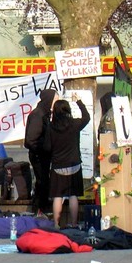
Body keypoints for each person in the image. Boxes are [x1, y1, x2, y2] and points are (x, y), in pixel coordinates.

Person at [49, 96, 90, 227]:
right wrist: (79, 102)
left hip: (57, 165)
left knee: (57, 196)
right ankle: (74, 223)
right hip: (74, 164)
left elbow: (46, 146)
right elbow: (86, 118)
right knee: (73, 195)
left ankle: (56, 223)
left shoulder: (51, 127)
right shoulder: (74, 124)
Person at [23, 88, 56, 214]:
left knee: (43, 181)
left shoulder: (45, 114)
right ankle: (40, 207)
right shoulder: (38, 115)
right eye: (55, 100)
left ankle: (40, 207)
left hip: (43, 153)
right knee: (42, 180)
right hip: (39, 154)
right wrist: (42, 149)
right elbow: (31, 139)